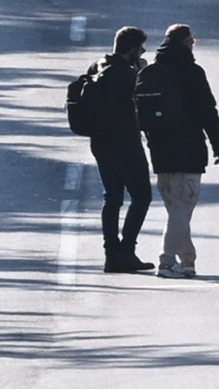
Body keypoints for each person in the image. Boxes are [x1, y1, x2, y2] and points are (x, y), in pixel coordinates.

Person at [137, 24, 219, 279]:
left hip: (160, 151)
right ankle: (166, 262)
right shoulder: (193, 72)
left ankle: (187, 261)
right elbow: (208, 110)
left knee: (177, 209)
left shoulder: (152, 71)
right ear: (186, 44)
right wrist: (218, 143)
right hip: (189, 151)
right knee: (182, 208)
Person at [85, 26, 153, 274]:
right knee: (142, 196)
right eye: (141, 48)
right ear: (133, 49)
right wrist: (141, 72)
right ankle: (126, 251)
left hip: (100, 144)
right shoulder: (127, 73)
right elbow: (137, 106)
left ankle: (111, 254)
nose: (144, 51)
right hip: (125, 144)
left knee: (112, 198)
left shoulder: (97, 66)